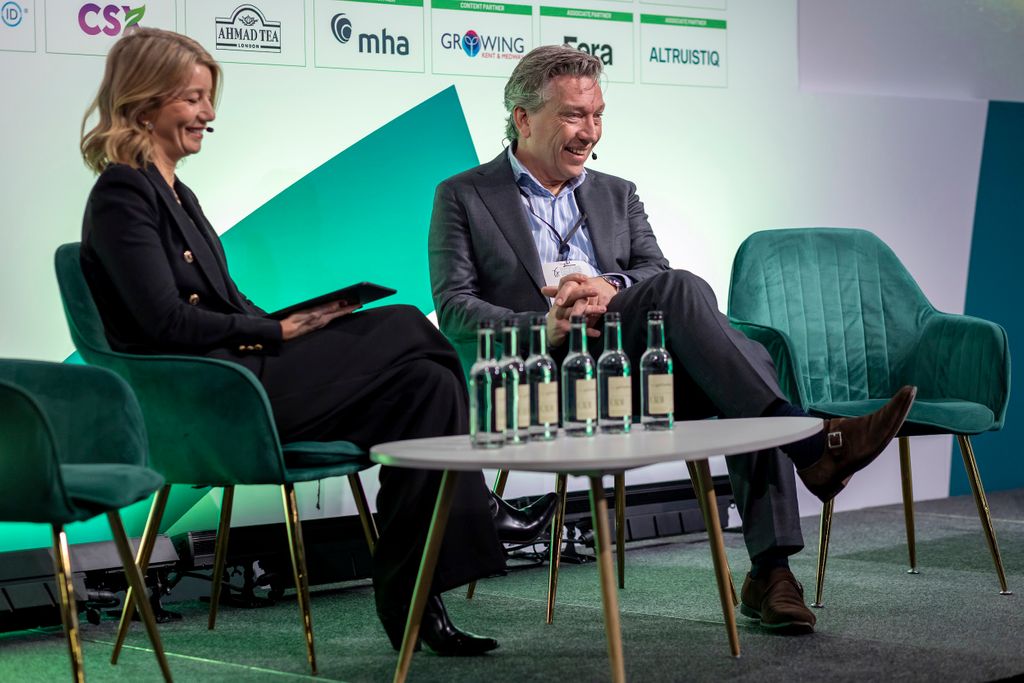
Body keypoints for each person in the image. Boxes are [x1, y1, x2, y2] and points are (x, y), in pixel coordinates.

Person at [78, 27, 555, 656]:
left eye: (208, 97)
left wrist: (306, 319)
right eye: (192, 99)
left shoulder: (175, 192)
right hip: (217, 400)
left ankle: (413, 599)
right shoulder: (122, 194)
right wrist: (272, 332)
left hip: (244, 375)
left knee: (428, 386)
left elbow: (228, 304)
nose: (208, 114)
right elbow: (163, 323)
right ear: (144, 102)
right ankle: (474, 507)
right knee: (406, 321)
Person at [429, 45, 917, 634]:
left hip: (632, 368)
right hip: (546, 376)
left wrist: (610, 286)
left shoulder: (616, 192)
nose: (590, 132)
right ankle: (808, 460)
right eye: (574, 115)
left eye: (597, 115)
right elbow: (455, 309)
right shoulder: (464, 194)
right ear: (523, 118)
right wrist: (546, 324)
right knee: (736, 353)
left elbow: (652, 273)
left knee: (735, 352)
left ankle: (772, 568)